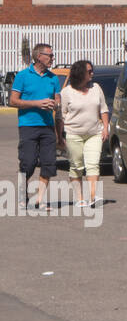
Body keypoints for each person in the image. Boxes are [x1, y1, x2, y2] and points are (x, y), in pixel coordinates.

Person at [11, 44, 63, 211]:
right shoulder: (23, 76)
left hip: (47, 126)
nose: (53, 58)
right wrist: (37, 103)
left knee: (49, 163)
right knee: (28, 162)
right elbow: (13, 101)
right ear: (39, 56)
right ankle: (22, 192)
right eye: (50, 55)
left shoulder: (53, 78)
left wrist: (54, 105)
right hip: (28, 125)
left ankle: (40, 200)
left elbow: (57, 101)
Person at [59, 60, 109, 209]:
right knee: (76, 166)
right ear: (80, 73)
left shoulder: (96, 88)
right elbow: (60, 116)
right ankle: (79, 197)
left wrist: (105, 127)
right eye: (89, 71)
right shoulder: (67, 92)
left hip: (94, 133)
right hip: (73, 134)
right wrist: (59, 135)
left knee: (93, 164)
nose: (92, 74)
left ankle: (93, 196)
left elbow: (104, 109)